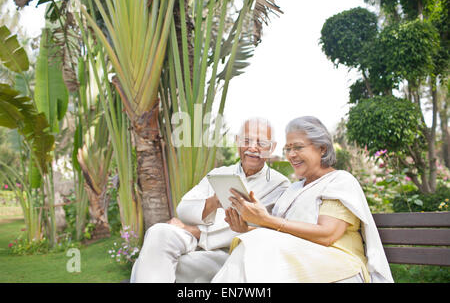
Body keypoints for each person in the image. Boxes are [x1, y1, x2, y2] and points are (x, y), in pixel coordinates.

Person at [212, 116, 393, 283]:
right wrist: (246, 228)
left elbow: (328, 235)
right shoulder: (294, 189)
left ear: (322, 148)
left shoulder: (339, 181)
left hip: (340, 265)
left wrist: (265, 220)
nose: (291, 154)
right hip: (300, 258)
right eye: (288, 149)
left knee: (256, 247)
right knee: (251, 245)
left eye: (298, 147)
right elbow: (281, 234)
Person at [130, 117, 290, 282]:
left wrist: (194, 230)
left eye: (261, 143)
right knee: (159, 232)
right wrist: (213, 202)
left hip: (230, 252)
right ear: (237, 141)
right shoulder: (220, 173)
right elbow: (183, 209)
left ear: (272, 148)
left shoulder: (279, 184)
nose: (252, 147)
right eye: (246, 140)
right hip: (193, 240)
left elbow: (253, 228)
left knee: (148, 264)